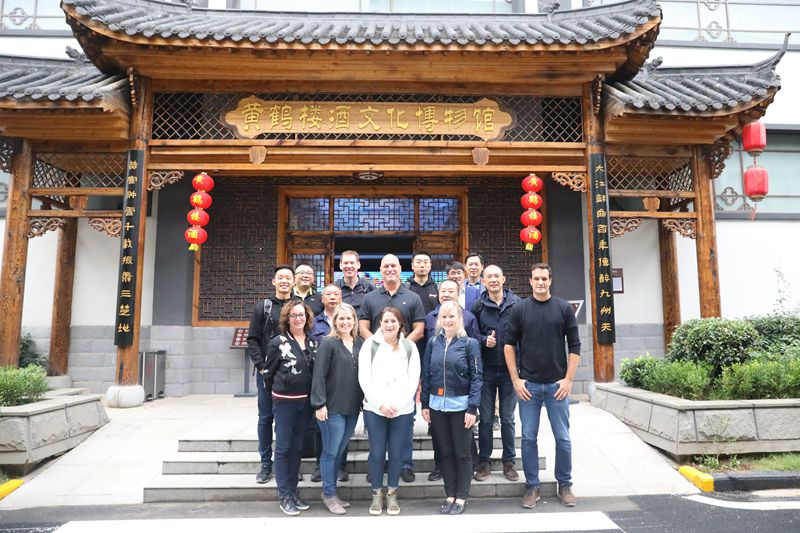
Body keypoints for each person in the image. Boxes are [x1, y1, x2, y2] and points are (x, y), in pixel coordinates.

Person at [503, 263, 581, 509]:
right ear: (530, 281)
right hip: (529, 387)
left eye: (544, 278)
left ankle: (565, 484)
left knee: (563, 438)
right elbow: (508, 345)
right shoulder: (519, 309)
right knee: (528, 438)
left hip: (557, 386)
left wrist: (568, 380)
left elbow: (575, 345)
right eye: (536, 278)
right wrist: (516, 380)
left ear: (550, 280)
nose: (540, 282)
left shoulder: (563, 308)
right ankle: (532, 486)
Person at [359, 254, 426, 483]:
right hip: (378, 364)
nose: (389, 269)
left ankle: (404, 465)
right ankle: (376, 467)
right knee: (376, 427)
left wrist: (400, 346)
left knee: (405, 422)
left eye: (393, 266)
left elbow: (419, 328)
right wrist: (379, 346)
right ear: (380, 270)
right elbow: (363, 326)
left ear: (400, 269)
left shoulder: (413, 297)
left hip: (403, 363)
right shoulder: (370, 297)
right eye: (385, 266)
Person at [421, 301, 482, 515]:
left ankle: (462, 496)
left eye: (452, 316)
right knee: (445, 453)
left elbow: (477, 377)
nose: (447, 321)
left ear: (460, 319)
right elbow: (427, 374)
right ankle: (450, 494)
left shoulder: (470, 344)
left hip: (461, 406)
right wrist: (425, 404)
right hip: (437, 406)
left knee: (462, 453)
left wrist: (472, 408)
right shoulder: (433, 343)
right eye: (444, 317)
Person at [358, 307, 420, 516]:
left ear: (400, 324)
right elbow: (364, 378)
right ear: (380, 324)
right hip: (375, 409)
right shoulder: (370, 345)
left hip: (402, 410)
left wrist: (399, 405)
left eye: (393, 321)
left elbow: (413, 379)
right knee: (376, 453)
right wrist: (380, 405)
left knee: (396, 452)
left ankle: (392, 493)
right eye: (386, 321)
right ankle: (376, 493)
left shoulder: (409, 347)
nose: (389, 325)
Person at [262, 301, 319, 516]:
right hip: (285, 402)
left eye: (302, 315)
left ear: (307, 317)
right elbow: (268, 373)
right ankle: (284, 494)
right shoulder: (278, 342)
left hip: (306, 404)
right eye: (294, 315)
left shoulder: (314, 342)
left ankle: (293, 491)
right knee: (284, 448)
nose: (298, 318)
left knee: (297, 448)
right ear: (287, 318)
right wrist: (279, 393)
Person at [311, 303, 363, 515]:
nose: (345, 322)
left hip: (352, 407)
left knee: (339, 452)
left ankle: (331, 492)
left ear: (354, 321)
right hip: (331, 408)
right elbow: (318, 375)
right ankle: (329, 494)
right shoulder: (328, 343)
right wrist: (319, 404)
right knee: (330, 452)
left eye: (349, 318)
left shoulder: (359, 343)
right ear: (335, 321)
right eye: (341, 318)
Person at [472, 265, 521, 483]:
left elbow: (524, 336)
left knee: (508, 418)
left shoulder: (517, 304)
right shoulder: (478, 306)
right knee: (485, 419)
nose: (493, 280)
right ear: (483, 281)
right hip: (487, 370)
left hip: (511, 371)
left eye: (496, 276)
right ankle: (484, 461)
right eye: (489, 276)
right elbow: (472, 335)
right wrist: (484, 340)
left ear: (503, 279)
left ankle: (509, 462)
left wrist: (521, 370)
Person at [246, 264, 294, 484]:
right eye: (280, 278)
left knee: (289, 420)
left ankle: (289, 463)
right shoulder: (263, 307)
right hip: (268, 373)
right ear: (274, 282)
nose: (284, 281)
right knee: (266, 418)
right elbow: (253, 339)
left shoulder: (298, 306)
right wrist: (261, 365)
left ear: (293, 282)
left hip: (292, 373)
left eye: (288, 278)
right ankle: (266, 463)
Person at [335, 250, 376, 314]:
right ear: (340, 265)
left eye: (352, 263)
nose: (349, 266)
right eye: (346, 263)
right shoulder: (335, 288)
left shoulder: (368, 286)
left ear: (358, 265)